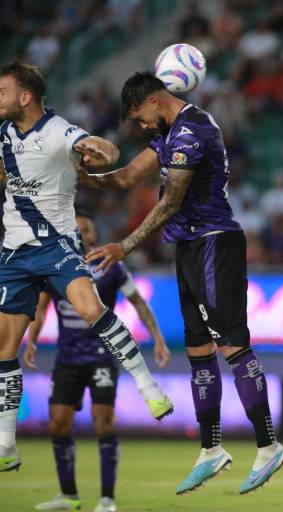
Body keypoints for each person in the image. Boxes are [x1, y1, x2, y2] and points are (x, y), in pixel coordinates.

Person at [75, 72, 283, 495]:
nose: (140, 126)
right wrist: (70, 170)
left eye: (139, 117)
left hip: (214, 242)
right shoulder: (168, 134)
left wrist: (125, 245)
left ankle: (269, 445)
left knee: (231, 345)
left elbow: (170, 202)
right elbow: (122, 178)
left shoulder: (193, 129)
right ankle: (211, 450)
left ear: (155, 101)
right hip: (189, 247)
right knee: (198, 351)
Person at [0, 61, 172, 474]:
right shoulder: (4, 135)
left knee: (91, 309)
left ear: (25, 96)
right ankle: (6, 443)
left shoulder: (59, 131)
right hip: (13, 253)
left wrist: (102, 151)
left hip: (57, 243)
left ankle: (149, 386)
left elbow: (100, 147)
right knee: (4, 350)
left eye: (3, 91)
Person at [22, 207, 170, 512]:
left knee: (104, 424)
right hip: (67, 360)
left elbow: (137, 301)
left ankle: (106, 499)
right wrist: (32, 340)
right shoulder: (56, 267)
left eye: (86, 229)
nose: (82, 234)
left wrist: (157, 337)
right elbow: (41, 308)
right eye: (76, 229)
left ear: (93, 234)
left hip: (102, 357)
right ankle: (68, 496)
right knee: (58, 425)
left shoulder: (110, 267)